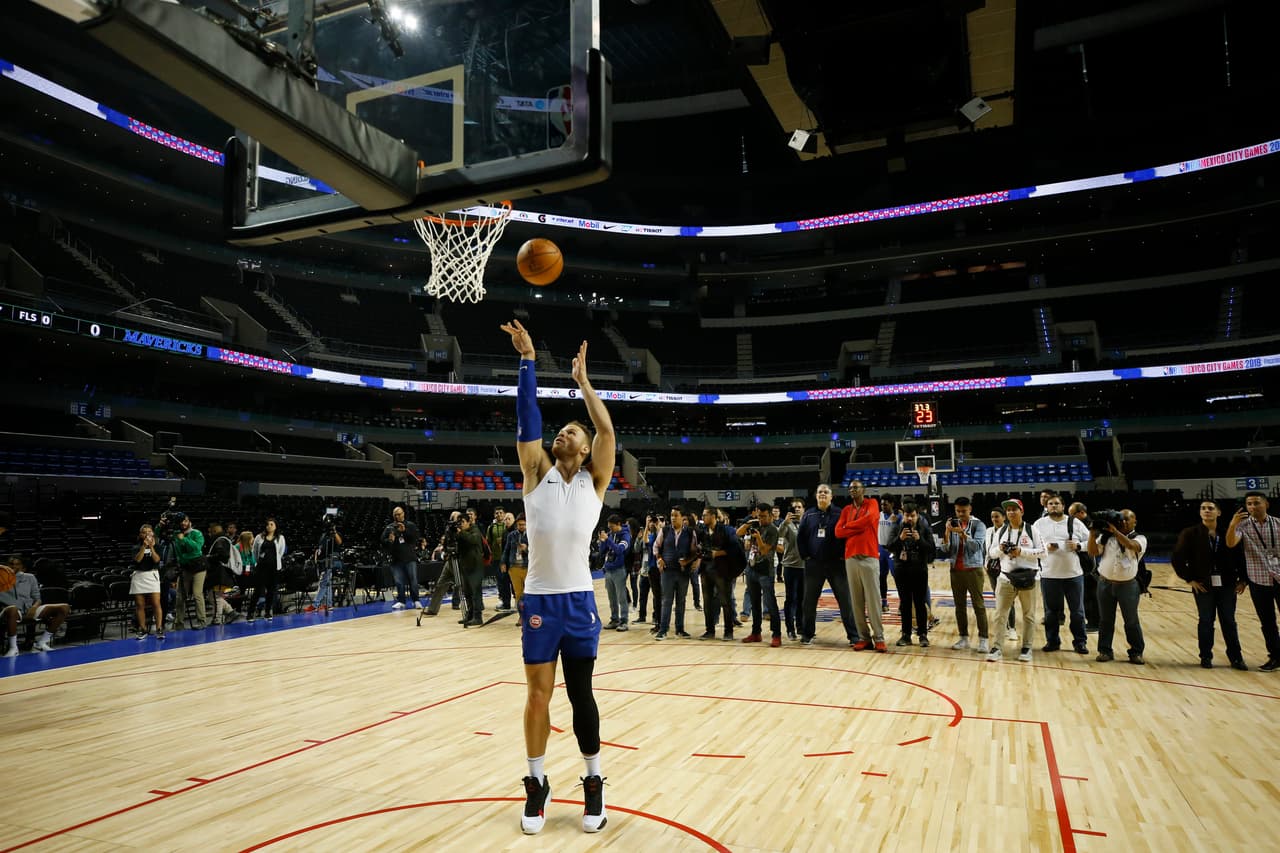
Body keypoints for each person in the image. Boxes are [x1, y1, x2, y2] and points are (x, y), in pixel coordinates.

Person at [502, 318, 615, 835]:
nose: (565, 431)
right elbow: (528, 420)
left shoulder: (595, 483)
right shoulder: (535, 472)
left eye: (575, 431)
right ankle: (536, 783)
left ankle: (593, 781)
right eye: (563, 428)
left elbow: (608, 430)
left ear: (586, 449)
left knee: (582, 696)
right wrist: (527, 361)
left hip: (579, 601)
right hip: (542, 602)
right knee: (537, 697)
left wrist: (584, 385)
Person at [1172, 500, 1248, 670]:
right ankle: (1206, 656)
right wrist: (1189, 579)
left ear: (1218, 513)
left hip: (1227, 584)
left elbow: (1240, 557)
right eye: (1203, 508)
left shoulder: (1228, 532)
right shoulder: (1190, 533)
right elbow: (1177, 558)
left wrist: (1243, 579)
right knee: (1206, 621)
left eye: (1210, 508)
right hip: (1203, 584)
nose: (1206, 511)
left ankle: (1236, 658)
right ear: (1200, 513)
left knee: (1229, 621)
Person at [797, 484, 860, 647]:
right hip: (814, 565)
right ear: (815, 496)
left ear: (832, 496)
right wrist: (806, 556)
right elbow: (801, 538)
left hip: (836, 565)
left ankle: (854, 636)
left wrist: (843, 556)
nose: (822, 494)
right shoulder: (808, 515)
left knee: (845, 601)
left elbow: (849, 536)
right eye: (820, 492)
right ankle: (807, 634)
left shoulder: (841, 513)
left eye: (826, 492)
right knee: (809, 602)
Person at [1226, 491, 1280, 672]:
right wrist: (1233, 524)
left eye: (1256, 503)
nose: (1252, 507)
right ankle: (1275, 656)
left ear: (1266, 504)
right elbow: (1231, 543)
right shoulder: (1242, 525)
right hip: (1258, 579)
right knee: (1267, 622)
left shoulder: (1278, 524)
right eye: (1249, 504)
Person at [986, 498, 1044, 664]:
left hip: (1029, 577)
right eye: (1008, 510)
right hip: (1006, 577)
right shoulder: (1002, 531)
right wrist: (1001, 549)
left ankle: (1026, 647)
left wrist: (1022, 552)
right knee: (1000, 615)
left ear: (1022, 511)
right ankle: (997, 647)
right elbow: (991, 553)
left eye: (1014, 509)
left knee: (1029, 615)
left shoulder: (1032, 530)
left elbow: (1043, 552)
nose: (1011, 512)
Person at [1089, 509, 1148, 665]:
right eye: (1120, 519)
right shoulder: (1106, 537)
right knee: (1105, 620)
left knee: (1131, 621)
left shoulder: (1140, 538)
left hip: (1127, 586)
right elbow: (1092, 551)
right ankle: (1104, 650)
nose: (1123, 522)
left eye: (1127, 519)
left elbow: (1130, 545)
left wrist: (1115, 531)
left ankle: (1136, 652)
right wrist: (1092, 534)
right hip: (1105, 583)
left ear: (1135, 522)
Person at [1033, 495, 1090, 655]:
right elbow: (1032, 546)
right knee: (1050, 612)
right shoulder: (1039, 524)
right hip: (1049, 575)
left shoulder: (1075, 522)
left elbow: (1093, 541)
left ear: (1063, 506)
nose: (1053, 506)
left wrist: (1079, 545)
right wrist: (1045, 547)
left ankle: (1080, 642)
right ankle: (1052, 641)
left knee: (1077, 612)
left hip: (1073, 575)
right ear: (1046, 507)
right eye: (1050, 504)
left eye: (1056, 503)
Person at [835, 481, 885, 652]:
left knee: (873, 600)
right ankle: (864, 638)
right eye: (850, 488)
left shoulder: (872, 503)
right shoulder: (846, 510)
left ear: (863, 490)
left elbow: (869, 519)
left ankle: (879, 638)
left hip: (869, 556)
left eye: (855, 487)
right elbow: (838, 532)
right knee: (856, 602)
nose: (852, 490)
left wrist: (848, 527)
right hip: (851, 558)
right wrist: (855, 527)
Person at [942, 497, 988, 653]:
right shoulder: (953, 524)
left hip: (973, 569)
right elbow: (945, 549)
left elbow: (977, 546)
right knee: (959, 606)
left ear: (970, 509)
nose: (960, 514)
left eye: (963, 511)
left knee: (979, 605)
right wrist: (947, 532)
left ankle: (983, 639)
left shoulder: (978, 525)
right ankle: (963, 638)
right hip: (956, 569)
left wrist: (962, 534)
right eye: (958, 511)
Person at [1, 556, 71, 656]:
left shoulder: (30, 577)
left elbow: (37, 597)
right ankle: (13, 648)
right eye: (11, 564)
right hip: (9, 610)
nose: (14, 566)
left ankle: (42, 643)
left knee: (64, 607)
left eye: (17, 564)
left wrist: (34, 607)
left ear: (22, 567)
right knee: (13, 609)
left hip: (30, 608)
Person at [737, 502, 782, 647]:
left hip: (766, 570)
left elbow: (764, 550)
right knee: (755, 603)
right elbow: (738, 533)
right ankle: (756, 632)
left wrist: (758, 537)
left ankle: (776, 634)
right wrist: (748, 524)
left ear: (770, 515)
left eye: (764, 516)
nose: (761, 519)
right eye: (759, 516)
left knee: (770, 603)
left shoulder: (773, 530)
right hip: (752, 568)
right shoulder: (755, 524)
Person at [893, 502, 936, 647]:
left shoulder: (924, 529)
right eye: (907, 515)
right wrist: (900, 539)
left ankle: (923, 634)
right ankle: (905, 635)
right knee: (904, 603)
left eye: (912, 516)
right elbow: (889, 546)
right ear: (903, 515)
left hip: (919, 570)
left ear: (917, 515)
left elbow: (931, 550)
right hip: (901, 570)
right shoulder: (896, 527)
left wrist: (920, 540)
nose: (910, 519)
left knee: (920, 603)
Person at [654, 506, 698, 641]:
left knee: (681, 601)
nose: (673, 518)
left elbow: (695, 551)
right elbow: (656, 547)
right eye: (671, 515)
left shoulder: (690, 533)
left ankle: (680, 629)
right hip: (667, 572)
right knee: (666, 601)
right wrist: (659, 559)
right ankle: (663, 630)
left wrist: (689, 561)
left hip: (683, 572)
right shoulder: (665, 530)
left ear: (682, 517)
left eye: (676, 515)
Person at [698, 506, 740, 641]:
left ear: (713, 516)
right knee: (707, 602)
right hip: (706, 569)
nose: (703, 517)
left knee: (725, 601)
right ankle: (709, 630)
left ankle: (729, 631)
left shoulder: (726, 530)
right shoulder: (702, 531)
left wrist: (719, 553)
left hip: (721, 570)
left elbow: (735, 549)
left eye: (705, 515)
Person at [777, 498, 807, 641]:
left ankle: (801, 626)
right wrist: (785, 522)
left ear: (804, 509)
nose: (797, 509)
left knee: (802, 599)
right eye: (794, 507)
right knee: (791, 599)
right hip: (790, 566)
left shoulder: (807, 523)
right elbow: (779, 535)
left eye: (799, 507)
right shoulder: (787, 525)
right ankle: (790, 629)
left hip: (805, 567)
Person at [1068, 501, 1099, 631]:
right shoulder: (1080, 524)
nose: (1070, 518)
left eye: (1072, 515)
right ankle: (1091, 621)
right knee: (1085, 596)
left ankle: (1094, 623)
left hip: (1089, 566)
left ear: (1081, 513)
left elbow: (1095, 545)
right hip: (1083, 565)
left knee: (1091, 596)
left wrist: (1078, 546)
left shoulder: (1091, 526)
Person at [383, 506, 422, 610]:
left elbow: (415, 538)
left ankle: (416, 600)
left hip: (409, 558)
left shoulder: (410, 525)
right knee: (399, 581)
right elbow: (382, 541)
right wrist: (389, 540)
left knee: (413, 580)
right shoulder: (389, 527)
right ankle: (401, 601)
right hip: (396, 559)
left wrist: (404, 531)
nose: (397, 516)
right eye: (395, 514)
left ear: (403, 514)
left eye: (399, 514)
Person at [130, 524, 165, 639]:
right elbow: (138, 560)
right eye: (144, 532)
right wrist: (144, 547)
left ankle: (159, 628)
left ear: (153, 534)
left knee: (156, 603)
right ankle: (143, 629)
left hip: (152, 575)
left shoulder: (158, 546)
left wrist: (152, 547)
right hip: (139, 576)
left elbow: (157, 559)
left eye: (149, 532)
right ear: (141, 535)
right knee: (140, 605)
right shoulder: (136, 547)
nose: (147, 534)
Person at [249, 518, 286, 622]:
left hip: (274, 568)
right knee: (257, 591)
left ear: (275, 526)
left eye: (271, 524)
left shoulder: (280, 538)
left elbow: (281, 552)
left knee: (271, 591)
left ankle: (268, 612)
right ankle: (250, 612)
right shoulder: (259, 537)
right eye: (267, 524)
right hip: (261, 568)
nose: (269, 526)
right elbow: (255, 551)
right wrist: (258, 562)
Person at [599, 514, 631, 632]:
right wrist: (603, 541)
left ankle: (624, 621)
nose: (610, 529)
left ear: (618, 525)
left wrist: (608, 540)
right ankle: (614, 619)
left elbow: (619, 550)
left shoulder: (626, 536)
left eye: (612, 527)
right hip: (608, 569)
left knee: (621, 597)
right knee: (611, 597)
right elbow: (603, 552)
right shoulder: (611, 534)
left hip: (619, 570)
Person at [455, 511, 485, 627]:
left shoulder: (475, 531)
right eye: (459, 522)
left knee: (475, 593)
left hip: (475, 567)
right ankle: (470, 614)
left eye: (462, 522)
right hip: (465, 566)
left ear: (469, 522)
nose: (460, 524)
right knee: (467, 592)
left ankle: (478, 617)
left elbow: (473, 540)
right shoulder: (461, 533)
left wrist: (461, 533)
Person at [636, 514, 664, 627]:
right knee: (654, 595)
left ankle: (659, 619)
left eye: (656, 521)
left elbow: (661, 541)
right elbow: (646, 541)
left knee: (659, 596)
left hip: (661, 568)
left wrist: (659, 527)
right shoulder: (651, 535)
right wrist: (647, 526)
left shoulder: (663, 533)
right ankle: (656, 620)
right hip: (651, 568)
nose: (654, 523)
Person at [502, 514, 530, 621]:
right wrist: (503, 562)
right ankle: (521, 616)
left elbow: (537, 552)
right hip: (514, 567)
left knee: (529, 593)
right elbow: (506, 550)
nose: (521, 526)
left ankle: (530, 615)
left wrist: (526, 549)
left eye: (523, 524)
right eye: (519, 525)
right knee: (518, 593)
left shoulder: (531, 535)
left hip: (527, 567)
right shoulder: (511, 535)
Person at [877, 496, 902, 614]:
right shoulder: (878, 515)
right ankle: (883, 602)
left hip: (893, 550)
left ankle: (902, 602)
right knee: (881, 577)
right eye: (881, 504)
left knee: (897, 576)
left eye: (885, 504)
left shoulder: (898, 517)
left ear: (892, 504)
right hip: (880, 548)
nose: (883, 507)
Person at [488, 507, 513, 611]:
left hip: (509, 559)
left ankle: (517, 601)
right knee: (501, 581)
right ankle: (503, 600)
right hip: (497, 558)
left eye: (501, 513)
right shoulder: (490, 527)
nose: (498, 515)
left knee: (511, 580)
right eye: (496, 513)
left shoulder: (508, 526)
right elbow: (488, 542)